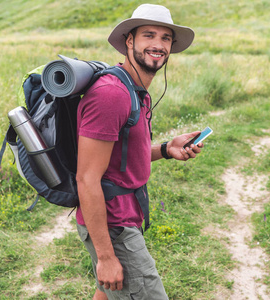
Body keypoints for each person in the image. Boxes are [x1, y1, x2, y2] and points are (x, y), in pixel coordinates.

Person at [75, 4, 202, 300]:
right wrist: (106, 257)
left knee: (106, 294)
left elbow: (123, 157)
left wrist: (166, 150)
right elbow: (87, 179)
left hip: (125, 216)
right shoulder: (111, 95)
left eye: (166, 38)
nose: (158, 45)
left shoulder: (135, 91)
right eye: (148, 35)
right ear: (129, 41)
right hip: (114, 224)